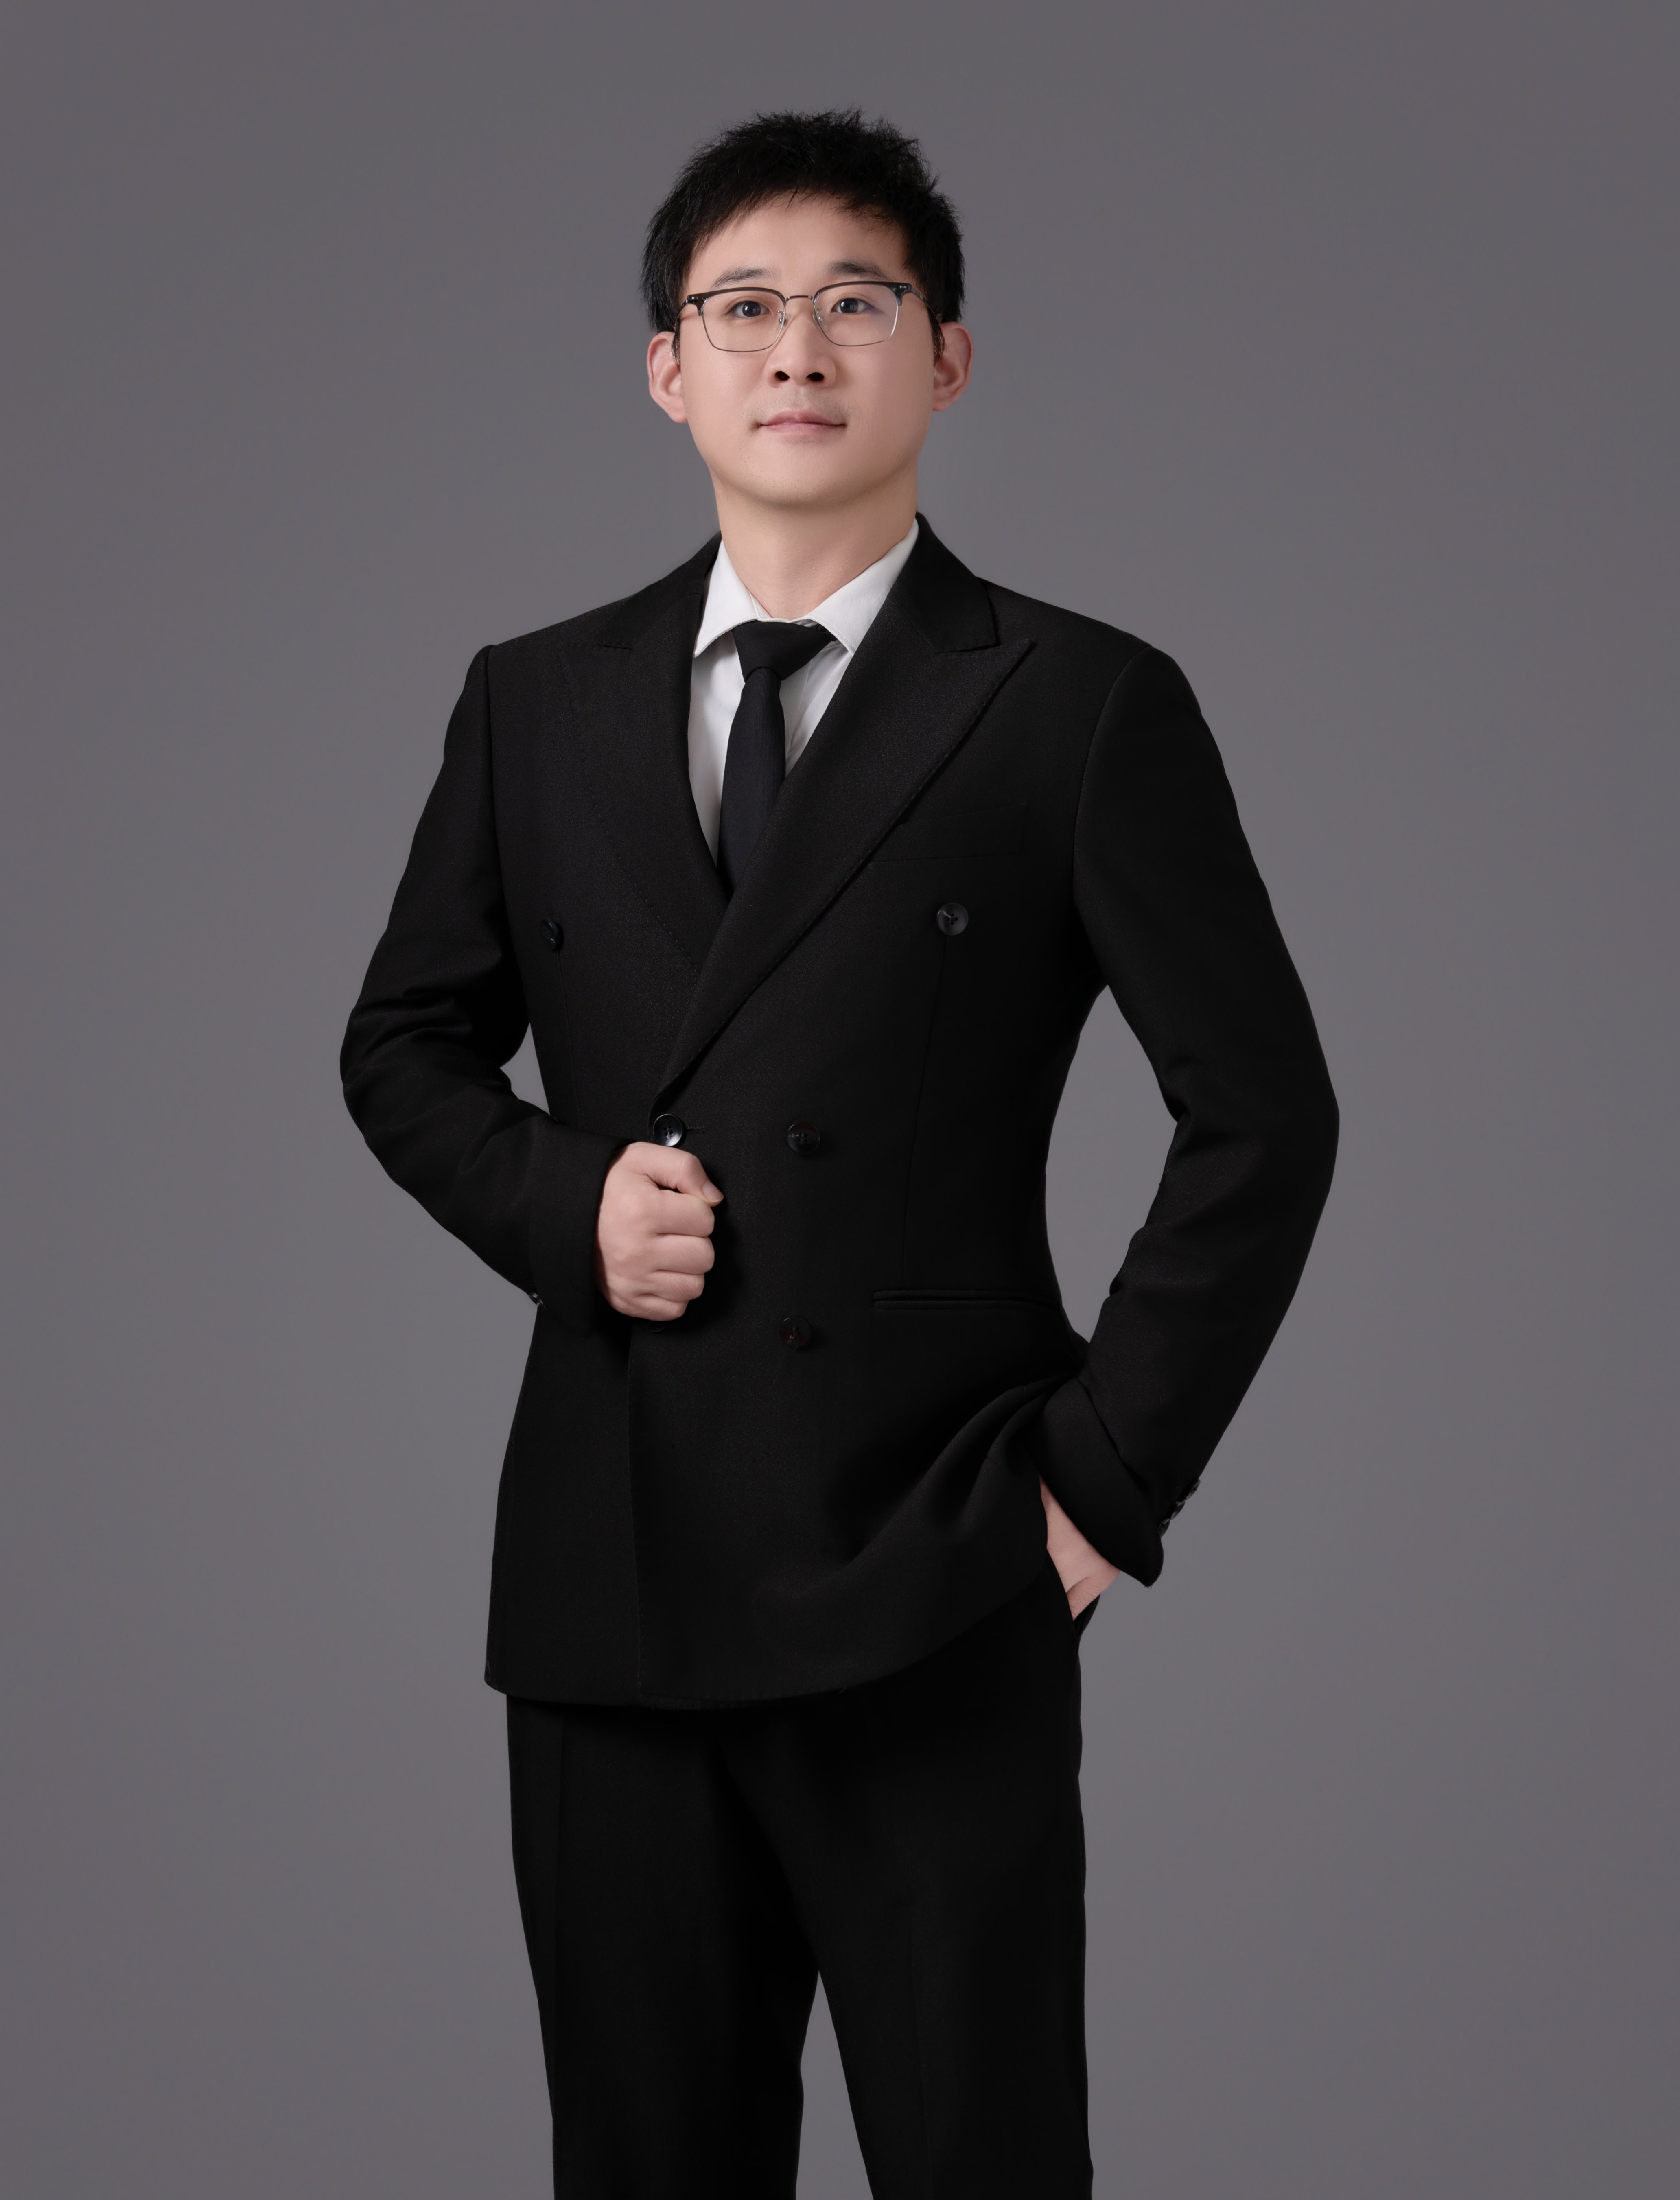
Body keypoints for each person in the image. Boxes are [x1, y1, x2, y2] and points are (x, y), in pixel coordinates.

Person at [341, 107, 1338, 2200]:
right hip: (614, 1583)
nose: (798, 348)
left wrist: (1102, 1485)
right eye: (745, 308)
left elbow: (1263, 1112)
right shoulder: (534, 700)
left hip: (937, 1559)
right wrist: (565, 1204)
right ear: (667, 367)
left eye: (856, 304)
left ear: (945, 357)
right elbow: (404, 1045)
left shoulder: (1076, 701)